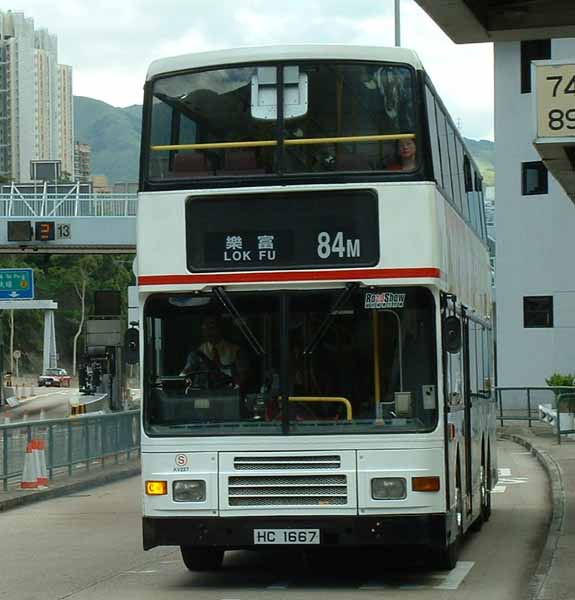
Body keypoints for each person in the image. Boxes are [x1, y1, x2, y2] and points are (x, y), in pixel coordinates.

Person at [180, 316, 248, 390]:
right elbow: (184, 374)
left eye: (212, 326)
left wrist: (235, 389)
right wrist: (184, 379)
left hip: (228, 395)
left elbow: (243, 377)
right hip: (203, 397)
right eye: (205, 327)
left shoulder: (236, 351)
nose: (208, 331)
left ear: (220, 328)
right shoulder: (197, 353)